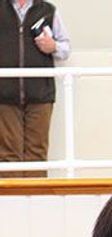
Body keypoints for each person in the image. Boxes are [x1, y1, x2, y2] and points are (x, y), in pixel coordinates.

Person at [0, 0, 70, 178]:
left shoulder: (48, 10)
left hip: (40, 94)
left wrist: (52, 46)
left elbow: (65, 48)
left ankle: (37, 201)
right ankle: (10, 202)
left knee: (37, 153)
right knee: (8, 155)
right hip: (4, 94)